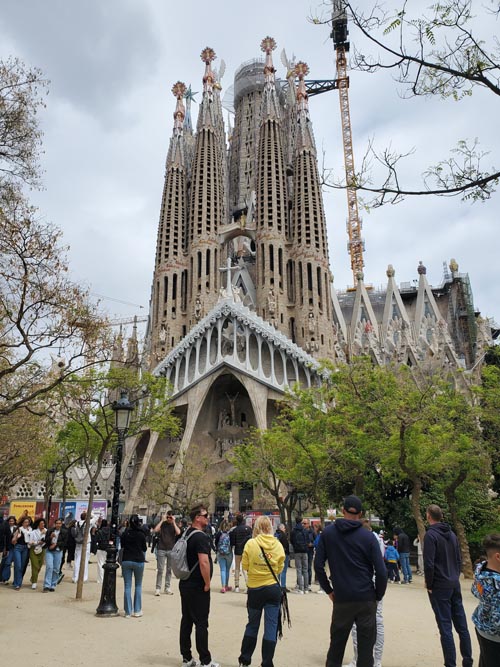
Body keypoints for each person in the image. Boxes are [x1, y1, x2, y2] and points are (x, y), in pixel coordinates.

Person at [314, 495, 387, 667]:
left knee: (336, 649)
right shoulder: (368, 537)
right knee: (365, 652)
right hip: (366, 597)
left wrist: (328, 590)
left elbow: (318, 566)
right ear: (360, 514)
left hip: (342, 597)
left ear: (342, 511)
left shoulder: (329, 534)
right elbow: (382, 572)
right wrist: (377, 595)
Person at [424, 503, 473, 667]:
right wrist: (455, 574)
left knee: (445, 626)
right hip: (453, 582)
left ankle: (450, 663)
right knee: (461, 624)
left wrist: (429, 583)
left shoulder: (431, 536)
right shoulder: (451, 534)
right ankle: (467, 660)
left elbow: (429, 563)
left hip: (439, 585)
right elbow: (459, 559)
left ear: (429, 516)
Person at [238, 515, 285, 667]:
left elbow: (245, 566)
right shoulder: (277, 545)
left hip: (255, 589)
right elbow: (279, 568)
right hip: (272, 588)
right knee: (271, 627)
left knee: (252, 625)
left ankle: (245, 659)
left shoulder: (251, 544)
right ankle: (267, 662)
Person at [179, 504, 219, 667]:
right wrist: (208, 583)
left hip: (186, 582)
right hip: (198, 585)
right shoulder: (201, 537)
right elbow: (203, 562)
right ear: (197, 517)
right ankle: (205, 660)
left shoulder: (186, 534)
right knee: (201, 622)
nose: (208, 518)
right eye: (206, 515)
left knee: (187, 620)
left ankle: (187, 657)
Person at [348, 519, 386, 667]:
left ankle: (359, 658)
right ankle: (377, 660)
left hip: (363, 584)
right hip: (375, 582)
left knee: (358, 623)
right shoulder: (378, 540)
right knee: (377, 620)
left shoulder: (361, 540)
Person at [471, 533, 500, 666]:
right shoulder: (497, 586)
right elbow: (498, 621)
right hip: (495, 637)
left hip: (481, 625)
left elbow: (474, 590)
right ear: (498, 556)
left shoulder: (480, 568)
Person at [120, 514, 147, 618]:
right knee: (138, 585)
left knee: (127, 586)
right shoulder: (141, 534)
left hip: (126, 559)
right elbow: (144, 549)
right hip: (138, 560)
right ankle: (137, 610)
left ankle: (128, 611)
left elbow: (122, 546)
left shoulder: (125, 533)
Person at [154, 510, 180, 596]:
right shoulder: (163, 524)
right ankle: (158, 588)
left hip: (170, 549)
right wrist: (162, 520)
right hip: (161, 548)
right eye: (168, 517)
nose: (169, 519)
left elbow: (178, 532)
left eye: (170, 517)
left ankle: (167, 587)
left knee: (169, 570)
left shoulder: (173, 525)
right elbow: (156, 530)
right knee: (160, 570)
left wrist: (174, 522)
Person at [230, 513, 252, 593]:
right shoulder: (249, 529)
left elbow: (232, 542)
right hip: (247, 550)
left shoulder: (235, 530)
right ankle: (247, 585)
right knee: (246, 568)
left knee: (237, 568)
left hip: (238, 550)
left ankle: (237, 586)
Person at [44, 518, 66, 591]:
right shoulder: (50, 531)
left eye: (59, 523)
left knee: (56, 569)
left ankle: (53, 585)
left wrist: (56, 545)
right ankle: (47, 585)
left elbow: (65, 542)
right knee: (49, 567)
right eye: (57, 523)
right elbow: (45, 541)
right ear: (55, 524)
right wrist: (50, 537)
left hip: (58, 551)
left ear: (61, 524)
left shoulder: (64, 532)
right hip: (49, 551)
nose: (58, 525)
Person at [11, 516, 33, 590]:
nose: (27, 523)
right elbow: (13, 541)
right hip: (18, 548)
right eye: (25, 522)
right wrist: (17, 537)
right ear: (22, 523)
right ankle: (18, 584)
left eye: (28, 522)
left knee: (22, 566)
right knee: (18, 566)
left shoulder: (30, 530)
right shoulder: (19, 529)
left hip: (26, 548)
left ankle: (16, 582)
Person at [290, 516, 309, 594]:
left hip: (297, 551)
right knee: (305, 570)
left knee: (299, 569)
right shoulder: (305, 530)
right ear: (301, 521)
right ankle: (306, 588)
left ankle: (300, 588)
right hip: (305, 551)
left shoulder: (293, 531)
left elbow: (291, 540)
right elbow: (307, 540)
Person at [215, 519, 233, 593]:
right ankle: (226, 585)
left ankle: (223, 587)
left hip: (220, 553)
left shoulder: (219, 533)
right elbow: (232, 543)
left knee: (222, 569)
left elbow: (216, 542)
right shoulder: (230, 533)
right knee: (227, 570)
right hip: (228, 553)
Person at [29, 518, 47, 589]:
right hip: (34, 550)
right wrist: (37, 542)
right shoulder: (33, 532)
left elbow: (47, 540)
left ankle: (32, 577)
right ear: (38, 524)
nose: (43, 525)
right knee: (35, 566)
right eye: (41, 523)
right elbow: (30, 542)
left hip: (42, 549)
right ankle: (34, 582)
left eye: (43, 523)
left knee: (39, 566)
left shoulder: (46, 531)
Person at [0, 515, 17, 584]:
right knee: (4, 563)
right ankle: (3, 578)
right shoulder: (4, 526)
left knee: (8, 563)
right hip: (6, 547)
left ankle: (4, 578)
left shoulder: (16, 528)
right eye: (10, 521)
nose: (11, 522)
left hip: (13, 548)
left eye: (12, 521)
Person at [95, 519, 111, 584]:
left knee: (100, 563)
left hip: (100, 548)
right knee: (106, 562)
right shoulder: (109, 531)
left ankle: (100, 579)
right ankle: (106, 577)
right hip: (107, 548)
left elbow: (97, 539)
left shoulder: (99, 531)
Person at [302, 518, 315, 591]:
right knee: (302, 568)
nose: (303, 525)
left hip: (309, 552)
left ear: (309, 524)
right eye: (302, 523)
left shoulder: (312, 532)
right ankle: (301, 583)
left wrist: (312, 544)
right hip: (303, 551)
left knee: (308, 568)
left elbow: (316, 542)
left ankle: (308, 584)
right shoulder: (301, 531)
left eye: (305, 523)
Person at [275, 524, 290, 589]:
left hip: (276, 554)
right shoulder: (283, 535)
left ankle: (277, 584)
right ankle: (283, 586)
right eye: (284, 528)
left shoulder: (275, 535)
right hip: (284, 554)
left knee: (278, 570)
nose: (285, 529)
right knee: (283, 570)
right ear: (281, 528)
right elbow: (286, 545)